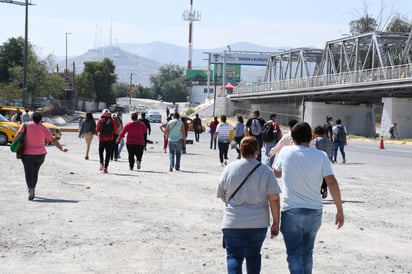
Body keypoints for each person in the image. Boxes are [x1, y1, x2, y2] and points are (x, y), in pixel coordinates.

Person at [273, 122, 344, 274]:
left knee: (294, 254)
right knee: (307, 253)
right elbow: (331, 181)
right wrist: (339, 209)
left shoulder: (285, 151)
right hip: (314, 211)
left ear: (292, 137)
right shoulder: (321, 155)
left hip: (291, 210)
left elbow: (276, 173)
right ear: (311, 137)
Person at [217, 136, 281, 274]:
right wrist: (276, 222)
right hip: (258, 222)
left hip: (233, 222)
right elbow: (274, 198)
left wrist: (235, 204)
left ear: (240, 150)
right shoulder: (265, 171)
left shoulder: (229, 169)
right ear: (257, 151)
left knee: (234, 257)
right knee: (253, 256)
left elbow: (223, 195)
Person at [12, 111, 68, 201]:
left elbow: (17, 135)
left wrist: (13, 144)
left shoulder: (25, 125)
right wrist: (61, 148)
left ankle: (31, 189)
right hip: (40, 155)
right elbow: (52, 140)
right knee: (35, 172)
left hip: (27, 154)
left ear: (32, 118)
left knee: (28, 172)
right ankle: (32, 188)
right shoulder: (44, 128)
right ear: (41, 119)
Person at [313, 125, 333, 199]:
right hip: (326, 159)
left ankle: (318, 191)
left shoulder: (316, 140)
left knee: (317, 176)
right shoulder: (328, 140)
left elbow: (313, 149)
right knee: (325, 176)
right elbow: (331, 150)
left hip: (317, 160)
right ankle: (325, 189)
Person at [96, 109, 117, 173]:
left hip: (101, 139)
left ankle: (101, 163)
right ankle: (106, 168)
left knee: (101, 152)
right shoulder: (112, 120)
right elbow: (115, 129)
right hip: (109, 139)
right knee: (108, 153)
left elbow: (97, 129)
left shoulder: (100, 120)